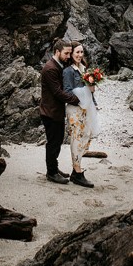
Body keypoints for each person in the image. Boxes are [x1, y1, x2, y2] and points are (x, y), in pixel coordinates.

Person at [39, 39, 78, 184]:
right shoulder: (50, 68)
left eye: (69, 53)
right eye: (66, 53)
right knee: (53, 143)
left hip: (55, 111)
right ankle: (51, 173)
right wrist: (77, 99)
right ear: (57, 52)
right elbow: (57, 92)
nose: (68, 56)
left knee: (58, 141)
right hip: (50, 112)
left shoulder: (59, 64)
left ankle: (54, 168)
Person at [62, 42, 100, 188]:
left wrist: (92, 96)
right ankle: (77, 173)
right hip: (75, 109)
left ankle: (75, 170)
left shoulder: (84, 69)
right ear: (71, 54)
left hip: (85, 108)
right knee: (76, 139)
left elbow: (88, 90)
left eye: (81, 52)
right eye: (76, 52)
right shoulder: (68, 71)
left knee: (86, 135)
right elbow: (67, 91)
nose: (79, 55)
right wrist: (81, 100)